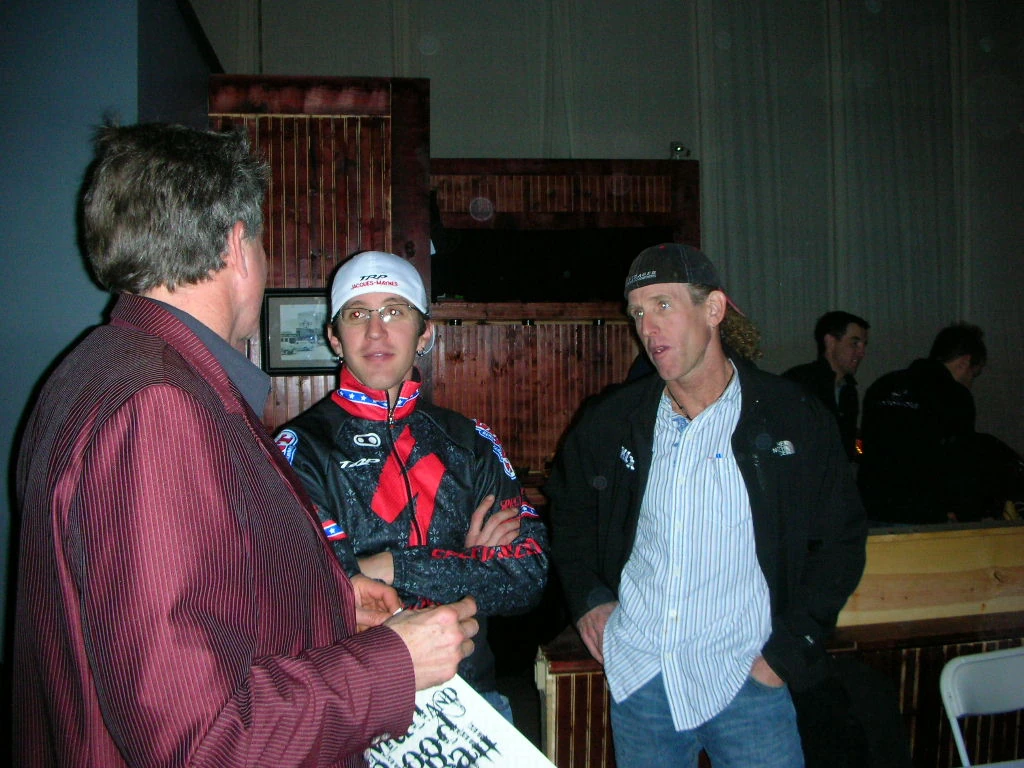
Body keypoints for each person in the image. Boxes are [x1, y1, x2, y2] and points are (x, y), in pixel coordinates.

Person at [12, 123, 478, 768]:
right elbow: (199, 739)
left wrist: (327, 598)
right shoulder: (158, 406)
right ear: (237, 246)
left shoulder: (100, 367)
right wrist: (390, 665)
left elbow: (181, 599)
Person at [545, 243, 867, 768]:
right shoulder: (612, 421)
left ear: (713, 310)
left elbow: (842, 541)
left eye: (664, 305)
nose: (648, 327)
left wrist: (787, 652)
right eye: (638, 313)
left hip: (749, 682)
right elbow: (569, 512)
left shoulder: (790, 418)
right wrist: (587, 597)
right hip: (643, 680)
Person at [274, 250, 549, 721]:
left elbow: (526, 580)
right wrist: (466, 563)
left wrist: (383, 566)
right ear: (334, 337)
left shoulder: (471, 442)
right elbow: (312, 592)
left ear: (425, 333)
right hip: (357, 704)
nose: (376, 331)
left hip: (474, 702)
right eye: (358, 314)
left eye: (394, 312)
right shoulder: (297, 449)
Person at [858, 322, 1022, 524]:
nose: (971, 382)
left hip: (871, 506)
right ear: (964, 362)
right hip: (923, 513)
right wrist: (960, 510)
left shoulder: (883, 385)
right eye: (973, 374)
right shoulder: (955, 396)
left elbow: (862, 445)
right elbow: (959, 460)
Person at [783, 311, 870, 461]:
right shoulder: (800, 382)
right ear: (830, 342)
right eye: (854, 343)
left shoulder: (848, 390)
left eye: (863, 345)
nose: (861, 352)